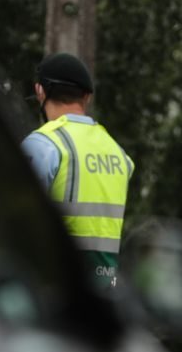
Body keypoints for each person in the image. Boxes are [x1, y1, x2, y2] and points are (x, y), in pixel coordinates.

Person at [21, 53, 133, 290]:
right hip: (105, 291)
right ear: (87, 97)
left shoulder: (43, 144)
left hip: (55, 291)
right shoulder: (119, 155)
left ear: (40, 91)